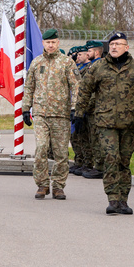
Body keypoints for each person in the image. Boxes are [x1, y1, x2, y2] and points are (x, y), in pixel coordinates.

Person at [75, 32, 134, 215]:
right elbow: (85, 90)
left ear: (126, 47)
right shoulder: (98, 67)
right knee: (111, 159)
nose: (114, 47)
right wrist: (79, 114)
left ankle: (123, 200)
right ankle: (112, 199)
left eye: (118, 44)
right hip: (105, 123)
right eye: (111, 44)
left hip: (129, 123)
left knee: (124, 162)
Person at [21, 29, 80, 200]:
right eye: (48, 42)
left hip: (61, 114)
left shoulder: (67, 63)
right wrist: (26, 108)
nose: (51, 45)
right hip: (40, 113)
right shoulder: (36, 62)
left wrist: (75, 108)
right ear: (43, 44)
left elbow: (76, 86)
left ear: (58, 43)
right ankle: (42, 184)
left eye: (54, 42)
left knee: (61, 152)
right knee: (41, 149)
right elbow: (29, 87)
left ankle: (59, 186)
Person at [80, 40, 105, 179]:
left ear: (96, 52)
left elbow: (94, 92)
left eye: (89, 51)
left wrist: (85, 107)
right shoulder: (92, 66)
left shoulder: (99, 66)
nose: (86, 53)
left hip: (96, 109)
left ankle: (99, 167)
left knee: (97, 139)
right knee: (92, 138)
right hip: (90, 109)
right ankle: (95, 165)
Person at [69, 44, 92, 175]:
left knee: (85, 137)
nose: (77, 57)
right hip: (76, 106)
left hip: (84, 106)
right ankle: (80, 161)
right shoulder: (79, 67)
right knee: (77, 137)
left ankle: (87, 162)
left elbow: (82, 85)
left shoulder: (90, 68)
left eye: (80, 54)